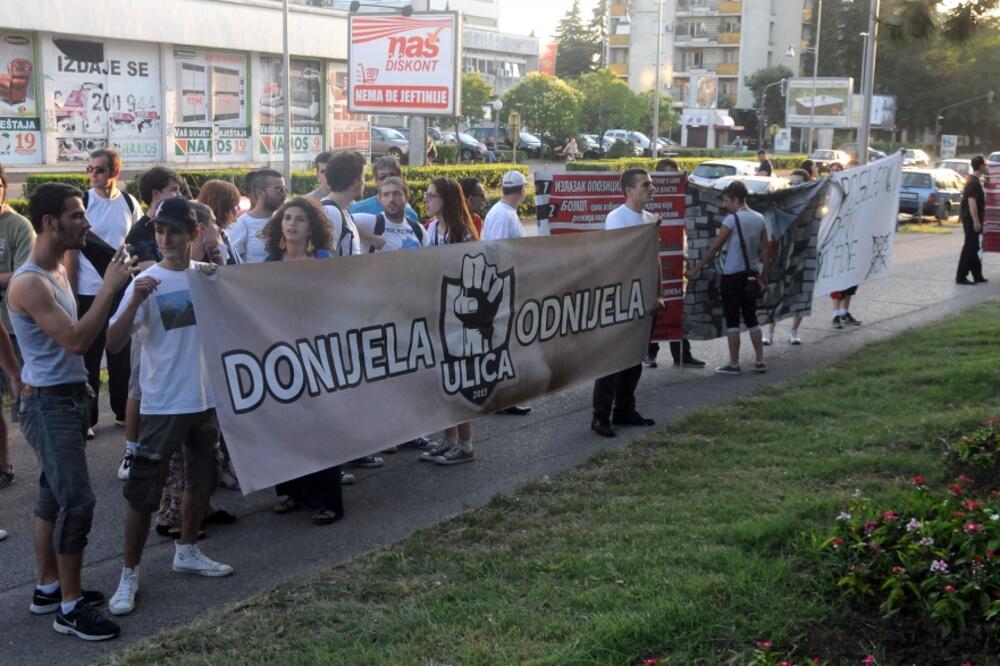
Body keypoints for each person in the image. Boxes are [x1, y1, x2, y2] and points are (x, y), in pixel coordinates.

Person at [8, 182, 135, 640]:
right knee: (77, 503)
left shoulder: (58, 269)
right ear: (49, 222)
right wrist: (112, 287)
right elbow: (78, 340)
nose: (86, 222)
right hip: (50, 407)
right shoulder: (30, 282)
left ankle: (49, 588)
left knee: (51, 498)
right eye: (77, 215)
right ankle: (69, 607)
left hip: (64, 398)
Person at [106, 197, 233, 619]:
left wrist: (220, 280)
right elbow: (114, 342)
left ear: (195, 233)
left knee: (201, 480)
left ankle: (187, 549)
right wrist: (135, 297)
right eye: (160, 231)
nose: (165, 239)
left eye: (174, 231)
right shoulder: (146, 281)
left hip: (205, 399)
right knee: (143, 493)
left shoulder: (206, 277)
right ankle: (129, 572)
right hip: (162, 404)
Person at [262, 198, 346, 522]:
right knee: (285, 424)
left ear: (311, 226)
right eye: (287, 219)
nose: (292, 224)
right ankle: (290, 492)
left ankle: (327, 500)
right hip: (280, 354)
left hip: (318, 352)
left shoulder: (323, 260)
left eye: (299, 219)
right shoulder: (270, 263)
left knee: (321, 425)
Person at [64, 148, 141, 435]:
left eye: (98, 169)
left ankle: (122, 413)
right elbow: (72, 252)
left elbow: (133, 242)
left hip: (122, 289)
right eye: (89, 169)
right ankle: (89, 419)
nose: (92, 174)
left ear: (114, 173)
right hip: (88, 292)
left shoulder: (129, 202)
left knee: (121, 354)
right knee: (89, 359)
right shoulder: (84, 202)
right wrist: (71, 292)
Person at [116, 166, 183, 481]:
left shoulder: (185, 221)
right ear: (156, 193)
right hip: (149, 319)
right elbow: (141, 267)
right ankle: (132, 451)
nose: (179, 195)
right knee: (138, 386)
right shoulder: (141, 230)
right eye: (174, 189)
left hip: (179, 323)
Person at [590, 168, 661, 438]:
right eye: (645, 185)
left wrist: (659, 294)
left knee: (634, 358)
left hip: (644, 299)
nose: (651, 188)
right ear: (629, 190)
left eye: (651, 184)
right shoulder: (616, 218)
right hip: (620, 298)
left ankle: (624, 410)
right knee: (611, 360)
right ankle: (600, 416)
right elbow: (621, 258)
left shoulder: (649, 219)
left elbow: (654, 259)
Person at [417, 177, 481, 464]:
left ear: (447, 199)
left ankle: (465, 444)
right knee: (442, 381)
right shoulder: (432, 229)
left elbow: (468, 276)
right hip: (437, 313)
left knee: (458, 381)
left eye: (432, 196)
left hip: (459, 319)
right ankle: (449, 438)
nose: (427, 200)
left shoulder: (463, 233)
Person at [689, 180, 772, 376]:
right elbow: (767, 250)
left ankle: (734, 364)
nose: (725, 205)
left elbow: (715, 248)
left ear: (736, 199)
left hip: (732, 276)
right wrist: (764, 274)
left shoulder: (731, 220)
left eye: (727, 200)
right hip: (751, 276)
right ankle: (760, 360)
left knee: (733, 320)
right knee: (752, 319)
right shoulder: (759, 218)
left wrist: (695, 269)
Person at [480, 170, 533, 416]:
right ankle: (501, 398)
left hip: (499, 286)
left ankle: (501, 396)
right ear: (522, 190)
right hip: (501, 288)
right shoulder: (504, 215)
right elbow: (498, 253)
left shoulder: (501, 212)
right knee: (503, 344)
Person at [647, 158, 705, 369]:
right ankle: (649, 353)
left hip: (676, 259)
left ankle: (681, 354)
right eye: (673, 175)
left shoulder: (680, 195)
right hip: (653, 261)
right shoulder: (647, 194)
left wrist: (686, 183)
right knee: (655, 308)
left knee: (675, 307)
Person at [0, 163, 35, 488]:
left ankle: (45, 462)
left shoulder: (18, 225)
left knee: (24, 399)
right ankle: (4, 464)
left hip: (13, 327)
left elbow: (22, 273)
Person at [762, 167, 812, 345]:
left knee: (799, 291)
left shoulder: (811, 203)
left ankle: (794, 331)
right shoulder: (781, 201)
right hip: (780, 253)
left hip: (800, 252)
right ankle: (769, 332)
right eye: (792, 182)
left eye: (798, 183)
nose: (794, 185)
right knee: (775, 292)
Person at [354, 177, 428, 253]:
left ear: (407, 198)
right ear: (380, 199)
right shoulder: (371, 222)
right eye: (386, 195)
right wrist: (371, 238)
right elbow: (344, 217)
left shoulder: (418, 229)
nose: (391, 199)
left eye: (396, 194)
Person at [229, 169, 285, 263]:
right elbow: (233, 263)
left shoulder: (285, 221)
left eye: (284, 189)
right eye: (279, 189)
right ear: (260, 193)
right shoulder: (242, 223)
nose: (283, 194)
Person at [319, 150, 364, 257]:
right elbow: (325, 260)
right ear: (355, 182)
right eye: (363, 177)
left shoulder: (341, 210)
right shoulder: (331, 213)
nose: (364, 182)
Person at [349, 156, 419, 224]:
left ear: (401, 178)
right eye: (382, 177)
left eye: (392, 175)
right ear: (376, 181)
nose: (387, 180)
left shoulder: (410, 215)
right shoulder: (358, 210)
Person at [956, 155, 988, 285]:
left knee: (974, 247)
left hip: (971, 219)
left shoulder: (973, 180)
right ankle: (961, 277)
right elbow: (971, 202)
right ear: (980, 166)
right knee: (969, 247)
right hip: (971, 220)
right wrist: (976, 221)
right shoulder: (973, 183)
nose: (986, 167)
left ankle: (977, 275)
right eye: (985, 165)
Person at [196, 179, 243, 265]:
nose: (238, 209)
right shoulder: (201, 241)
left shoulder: (223, 235)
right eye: (235, 205)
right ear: (223, 207)